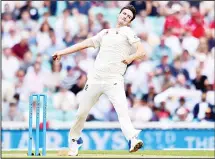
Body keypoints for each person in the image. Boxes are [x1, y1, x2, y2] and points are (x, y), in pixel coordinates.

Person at [53, 5, 145, 156]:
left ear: (130, 22)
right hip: (95, 79)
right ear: (118, 14)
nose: (125, 17)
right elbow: (83, 45)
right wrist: (62, 52)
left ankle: (132, 139)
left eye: (129, 17)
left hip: (114, 80)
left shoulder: (128, 32)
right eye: (124, 14)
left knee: (122, 112)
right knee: (81, 113)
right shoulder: (105, 33)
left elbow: (141, 51)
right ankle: (75, 141)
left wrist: (130, 57)